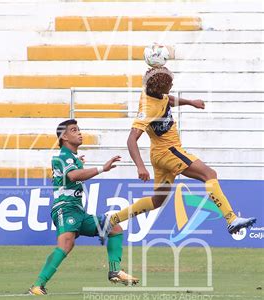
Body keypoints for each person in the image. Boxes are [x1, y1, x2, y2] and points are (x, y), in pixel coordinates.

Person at [104, 67, 256, 235]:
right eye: (169, 83)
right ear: (161, 87)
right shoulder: (148, 109)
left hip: (158, 154)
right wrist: (140, 166)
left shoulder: (152, 93)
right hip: (169, 152)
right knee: (209, 174)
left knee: (157, 201)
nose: (172, 84)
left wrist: (190, 102)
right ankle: (231, 219)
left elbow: (167, 100)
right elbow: (131, 139)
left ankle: (112, 220)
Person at [29, 119, 139, 296]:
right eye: (73, 130)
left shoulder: (70, 158)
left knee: (114, 228)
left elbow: (71, 173)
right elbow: (73, 176)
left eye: (79, 129)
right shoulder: (62, 156)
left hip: (78, 211)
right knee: (66, 244)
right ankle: (37, 285)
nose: (79, 133)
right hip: (65, 208)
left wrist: (78, 162)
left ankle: (115, 271)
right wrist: (102, 168)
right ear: (63, 137)